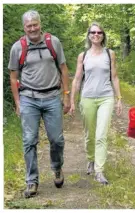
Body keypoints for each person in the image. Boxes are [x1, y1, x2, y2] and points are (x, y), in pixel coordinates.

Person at [8, 10, 70, 198]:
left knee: (57, 140)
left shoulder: (53, 42)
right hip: (28, 98)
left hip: (52, 96)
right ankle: (32, 181)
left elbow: (63, 68)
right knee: (29, 140)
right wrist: (18, 102)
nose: (33, 28)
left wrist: (66, 95)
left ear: (40, 24)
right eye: (29, 26)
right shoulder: (17, 48)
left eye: (35, 24)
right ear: (24, 27)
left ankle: (57, 168)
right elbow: (13, 77)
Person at [69, 22, 122, 185]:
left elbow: (114, 77)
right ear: (89, 35)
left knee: (101, 135)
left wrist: (119, 98)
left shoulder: (110, 54)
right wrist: (71, 101)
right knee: (89, 135)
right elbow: (77, 79)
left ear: (103, 35)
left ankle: (99, 171)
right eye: (93, 32)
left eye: (99, 32)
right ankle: (91, 159)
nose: (96, 35)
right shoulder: (83, 56)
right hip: (87, 98)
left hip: (106, 97)